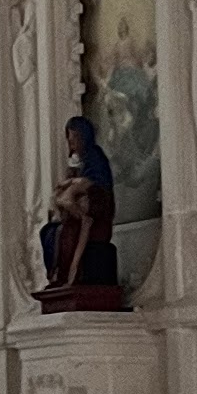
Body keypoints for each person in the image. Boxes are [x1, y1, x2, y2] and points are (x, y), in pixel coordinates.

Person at [37, 112, 125, 301]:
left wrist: (74, 194)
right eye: (69, 141)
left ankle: (69, 275)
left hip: (96, 218)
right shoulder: (81, 165)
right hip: (82, 215)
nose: (72, 146)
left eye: (74, 140)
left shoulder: (96, 157)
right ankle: (57, 275)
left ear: (84, 137)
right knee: (48, 232)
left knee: (66, 233)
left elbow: (95, 188)